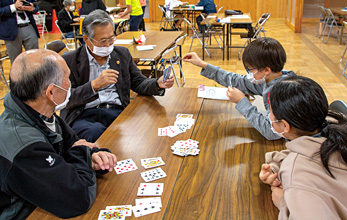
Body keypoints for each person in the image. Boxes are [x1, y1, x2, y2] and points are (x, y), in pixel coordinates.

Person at [0, 49, 118, 219]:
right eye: (67, 78)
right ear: (51, 92)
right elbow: (77, 198)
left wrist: (93, 155)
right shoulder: (24, 147)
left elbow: (74, 143)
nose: (70, 84)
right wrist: (83, 154)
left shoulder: (36, 112)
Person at [61, 9, 174, 142]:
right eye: (103, 41)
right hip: (84, 115)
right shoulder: (69, 61)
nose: (108, 45)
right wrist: (94, 86)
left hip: (117, 111)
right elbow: (64, 99)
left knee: (143, 131)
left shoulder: (121, 54)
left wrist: (157, 83)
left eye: (111, 38)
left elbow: (138, 82)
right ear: (87, 39)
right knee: (96, 134)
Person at [259, 75, 347, 219]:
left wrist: (282, 203)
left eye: (270, 112)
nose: (269, 116)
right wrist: (276, 164)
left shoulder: (297, 178)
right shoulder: (335, 124)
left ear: (285, 126)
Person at [182, 37, 296, 140]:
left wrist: (242, 102)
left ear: (266, 70)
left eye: (250, 69)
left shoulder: (281, 93)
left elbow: (271, 132)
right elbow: (237, 80)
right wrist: (203, 64)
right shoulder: (272, 79)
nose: (248, 74)